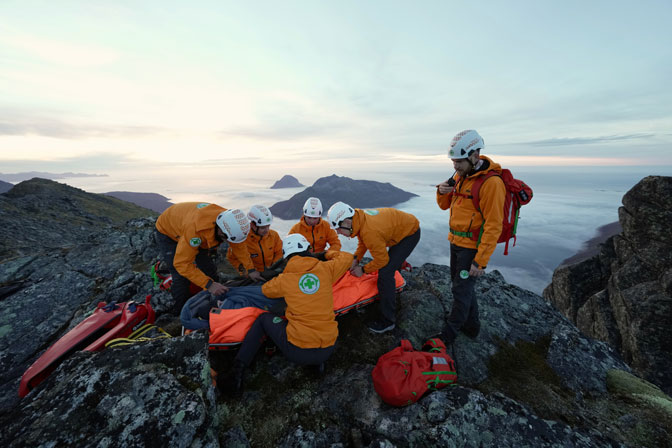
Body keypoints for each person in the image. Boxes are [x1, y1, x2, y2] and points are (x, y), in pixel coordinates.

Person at [222, 234, 353, 397]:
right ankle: (317, 364)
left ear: (286, 257)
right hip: (328, 348)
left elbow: (266, 290)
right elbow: (347, 257)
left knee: (264, 319)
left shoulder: (284, 279)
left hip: (297, 351)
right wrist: (326, 254)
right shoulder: (327, 269)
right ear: (309, 250)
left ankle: (237, 371)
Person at [435, 129, 505, 343]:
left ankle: (449, 334)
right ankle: (471, 326)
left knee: (460, 290)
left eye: (459, 162)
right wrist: (441, 192)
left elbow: (494, 225)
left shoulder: (491, 184)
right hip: (455, 242)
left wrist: (480, 262)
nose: (455, 166)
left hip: (470, 248)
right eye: (453, 162)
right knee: (462, 287)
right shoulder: (460, 176)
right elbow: (444, 206)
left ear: (474, 156)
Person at [327, 202, 420, 334]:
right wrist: (356, 260)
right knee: (390, 268)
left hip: (409, 234)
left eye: (338, 228)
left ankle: (388, 321)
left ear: (347, 222)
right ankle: (392, 293)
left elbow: (382, 260)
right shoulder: (360, 219)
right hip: (402, 229)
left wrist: (363, 269)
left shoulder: (369, 230)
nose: (338, 232)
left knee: (385, 274)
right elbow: (363, 243)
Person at [155, 202, 261, 314]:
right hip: (168, 230)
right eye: (225, 238)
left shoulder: (230, 222)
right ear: (220, 230)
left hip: (198, 232)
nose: (226, 241)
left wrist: (251, 270)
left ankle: (214, 299)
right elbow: (182, 264)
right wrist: (209, 285)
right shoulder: (195, 231)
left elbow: (239, 247)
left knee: (209, 269)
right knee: (180, 276)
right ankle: (180, 311)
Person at [226, 205, 282, 276]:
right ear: (253, 225)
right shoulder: (242, 239)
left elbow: (279, 252)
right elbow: (232, 258)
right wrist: (247, 271)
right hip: (252, 276)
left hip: (271, 273)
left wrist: (273, 268)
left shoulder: (274, 235)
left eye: (268, 226)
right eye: (263, 228)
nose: (267, 230)